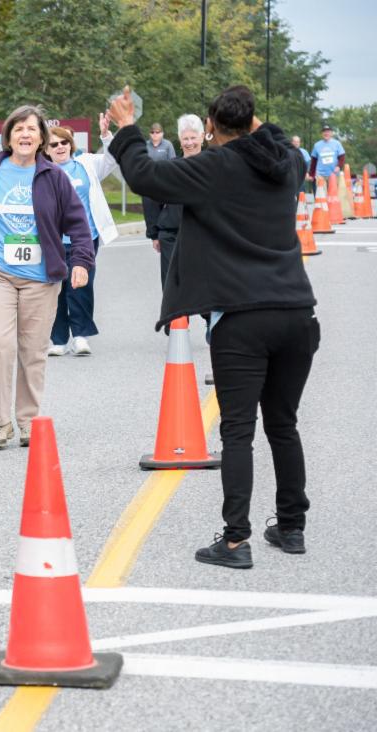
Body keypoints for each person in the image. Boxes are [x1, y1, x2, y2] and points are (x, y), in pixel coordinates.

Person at [107, 85, 318, 570]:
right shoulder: (287, 164)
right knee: (284, 424)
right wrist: (252, 124)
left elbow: (144, 173)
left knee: (238, 431)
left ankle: (235, 541)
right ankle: (291, 528)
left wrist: (125, 127)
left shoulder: (213, 168)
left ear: (210, 128)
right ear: (254, 122)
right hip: (295, 312)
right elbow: (279, 140)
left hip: (241, 317)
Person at [0, 105, 94, 450]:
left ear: (42, 137)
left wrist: (80, 262)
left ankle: (28, 420)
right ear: (9, 137)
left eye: (32, 129)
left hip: (41, 278)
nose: (25, 135)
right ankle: (0, 422)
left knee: (32, 350)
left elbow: (78, 224)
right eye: (19, 129)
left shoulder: (53, 177)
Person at [42, 119, 119, 357]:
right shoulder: (43, 173)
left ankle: (80, 335)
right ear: (46, 150)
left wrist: (106, 136)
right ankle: (58, 338)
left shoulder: (86, 163)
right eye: (54, 144)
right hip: (54, 242)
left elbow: (112, 159)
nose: (60, 147)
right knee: (56, 289)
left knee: (81, 286)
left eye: (64, 142)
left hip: (85, 240)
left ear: (71, 144)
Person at [154, 114, 205, 288]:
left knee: (205, 289)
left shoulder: (214, 166)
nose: (189, 143)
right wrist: (154, 234)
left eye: (193, 138)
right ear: (179, 140)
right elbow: (154, 200)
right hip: (171, 236)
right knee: (173, 290)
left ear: (202, 137)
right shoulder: (170, 168)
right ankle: (177, 317)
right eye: (185, 139)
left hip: (205, 236)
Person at [142, 122, 177, 257]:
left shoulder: (167, 145)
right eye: (153, 132)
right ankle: (154, 236)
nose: (155, 135)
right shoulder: (145, 146)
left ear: (162, 133)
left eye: (158, 132)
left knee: (166, 210)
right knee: (150, 210)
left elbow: (172, 164)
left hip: (163, 183)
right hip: (149, 184)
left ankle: (165, 234)